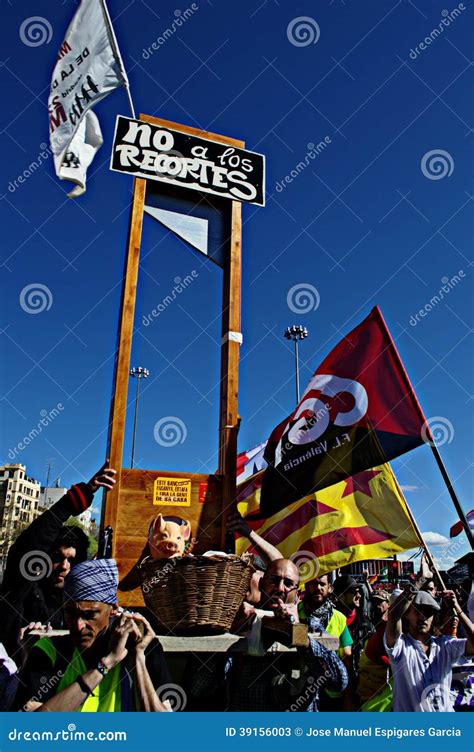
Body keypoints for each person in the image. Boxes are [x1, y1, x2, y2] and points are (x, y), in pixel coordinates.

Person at [188, 559, 348, 711]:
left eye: (288, 583)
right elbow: (198, 688)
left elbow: (338, 682)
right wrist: (230, 635)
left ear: (298, 594)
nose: (279, 588)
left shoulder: (310, 626)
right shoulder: (243, 624)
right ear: (262, 584)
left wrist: (296, 633)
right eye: (274, 580)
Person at [14, 559, 172, 712]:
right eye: (70, 614)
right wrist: (105, 665)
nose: (78, 625)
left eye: (89, 615)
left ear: (113, 610)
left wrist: (138, 658)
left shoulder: (144, 649)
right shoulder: (50, 651)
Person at [0, 461, 116, 660]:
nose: (63, 567)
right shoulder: (23, 590)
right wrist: (75, 500)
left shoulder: (84, 608)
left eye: (71, 560)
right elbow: (27, 546)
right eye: (57, 558)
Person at [384, 586, 474, 711]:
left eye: (428, 613)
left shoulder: (445, 645)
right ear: (407, 615)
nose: (423, 618)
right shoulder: (400, 646)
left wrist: (457, 608)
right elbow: (393, 616)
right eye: (417, 611)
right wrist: (416, 585)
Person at [298, 574, 353, 710]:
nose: (318, 588)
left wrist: (347, 697)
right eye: (314, 584)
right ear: (306, 586)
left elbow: (346, 655)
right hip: (298, 688)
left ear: (329, 588)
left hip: (330, 690)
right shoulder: (295, 612)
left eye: (322, 584)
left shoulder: (339, 618)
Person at [333, 575, 374, 673]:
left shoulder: (366, 625)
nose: (359, 595)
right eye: (354, 592)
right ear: (341, 596)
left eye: (359, 591)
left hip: (360, 680)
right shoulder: (328, 622)